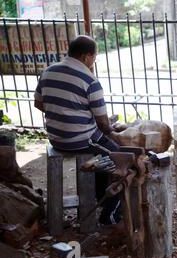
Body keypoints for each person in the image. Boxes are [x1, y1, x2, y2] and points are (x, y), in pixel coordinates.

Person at [34, 35, 122, 225]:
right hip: (79, 140)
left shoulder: (48, 71)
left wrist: (64, 112)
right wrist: (113, 131)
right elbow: (104, 125)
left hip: (55, 138)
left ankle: (99, 197)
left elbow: (39, 103)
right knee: (122, 159)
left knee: (103, 158)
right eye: (94, 58)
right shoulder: (90, 81)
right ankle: (111, 214)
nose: (94, 62)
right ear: (86, 57)